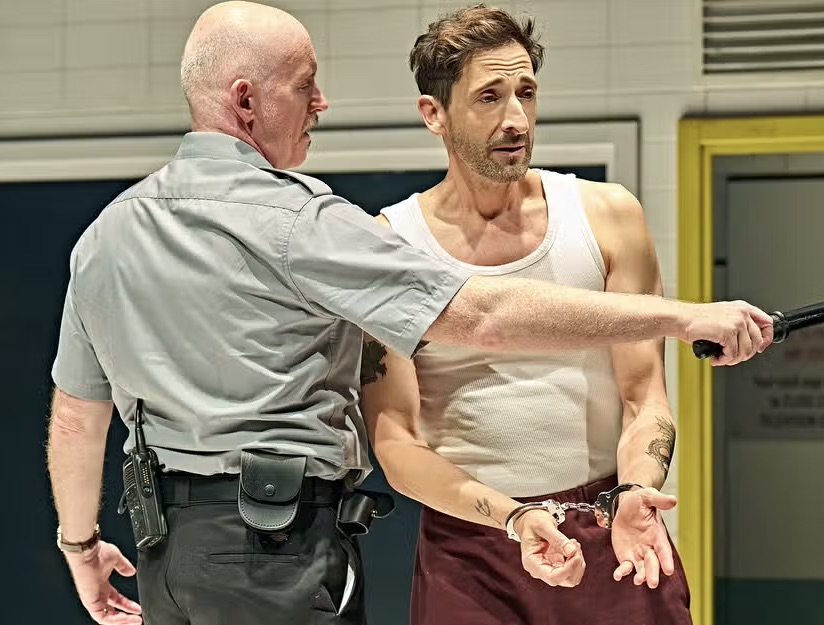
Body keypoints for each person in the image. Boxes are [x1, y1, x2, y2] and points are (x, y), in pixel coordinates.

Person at [45, 2, 772, 625]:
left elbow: (77, 417)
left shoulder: (106, 234)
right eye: (304, 85)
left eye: (527, 91)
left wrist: (78, 547)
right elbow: (478, 321)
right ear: (245, 101)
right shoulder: (313, 224)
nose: (321, 103)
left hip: (169, 552)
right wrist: (681, 317)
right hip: (292, 547)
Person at [359, 5, 710, 625]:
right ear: (434, 114)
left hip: (610, 526)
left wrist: (636, 488)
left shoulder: (608, 215)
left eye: (526, 92)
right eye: (489, 97)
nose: (517, 119)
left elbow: (644, 396)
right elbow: (395, 443)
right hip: (471, 546)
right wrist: (514, 517)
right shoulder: (389, 246)